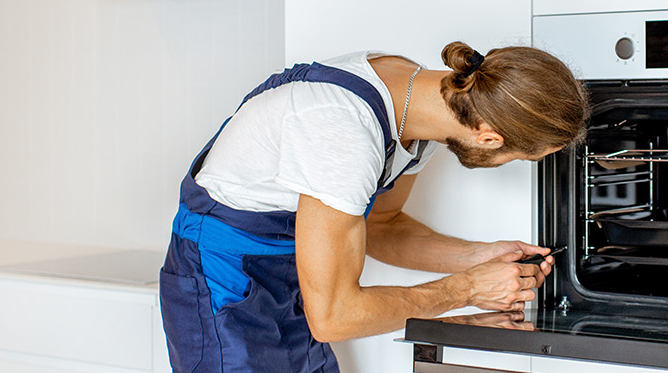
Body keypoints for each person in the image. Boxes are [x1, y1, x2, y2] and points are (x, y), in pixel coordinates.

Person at [158, 41, 589, 373]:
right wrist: (467, 289)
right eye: (521, 157)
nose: (508, 163)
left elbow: (381, 228)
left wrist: (481, 257)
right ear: (489, 137)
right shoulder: (345, 133)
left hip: (290, 282)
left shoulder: (421, 111)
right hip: (223, 288)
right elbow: (333, 318)